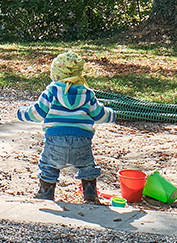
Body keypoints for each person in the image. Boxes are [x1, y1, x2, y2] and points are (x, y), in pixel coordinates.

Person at [17, 52, 116, 203]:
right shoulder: (87, 94)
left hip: (55, 140)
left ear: (56, 74)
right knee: (87, 166)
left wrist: (22, 113)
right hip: (82, 141)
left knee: (48, 165)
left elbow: (37, 113)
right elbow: (100, 115)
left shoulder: (52, 92)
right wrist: (112, 114)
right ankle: (90, 192)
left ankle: (46, 192)